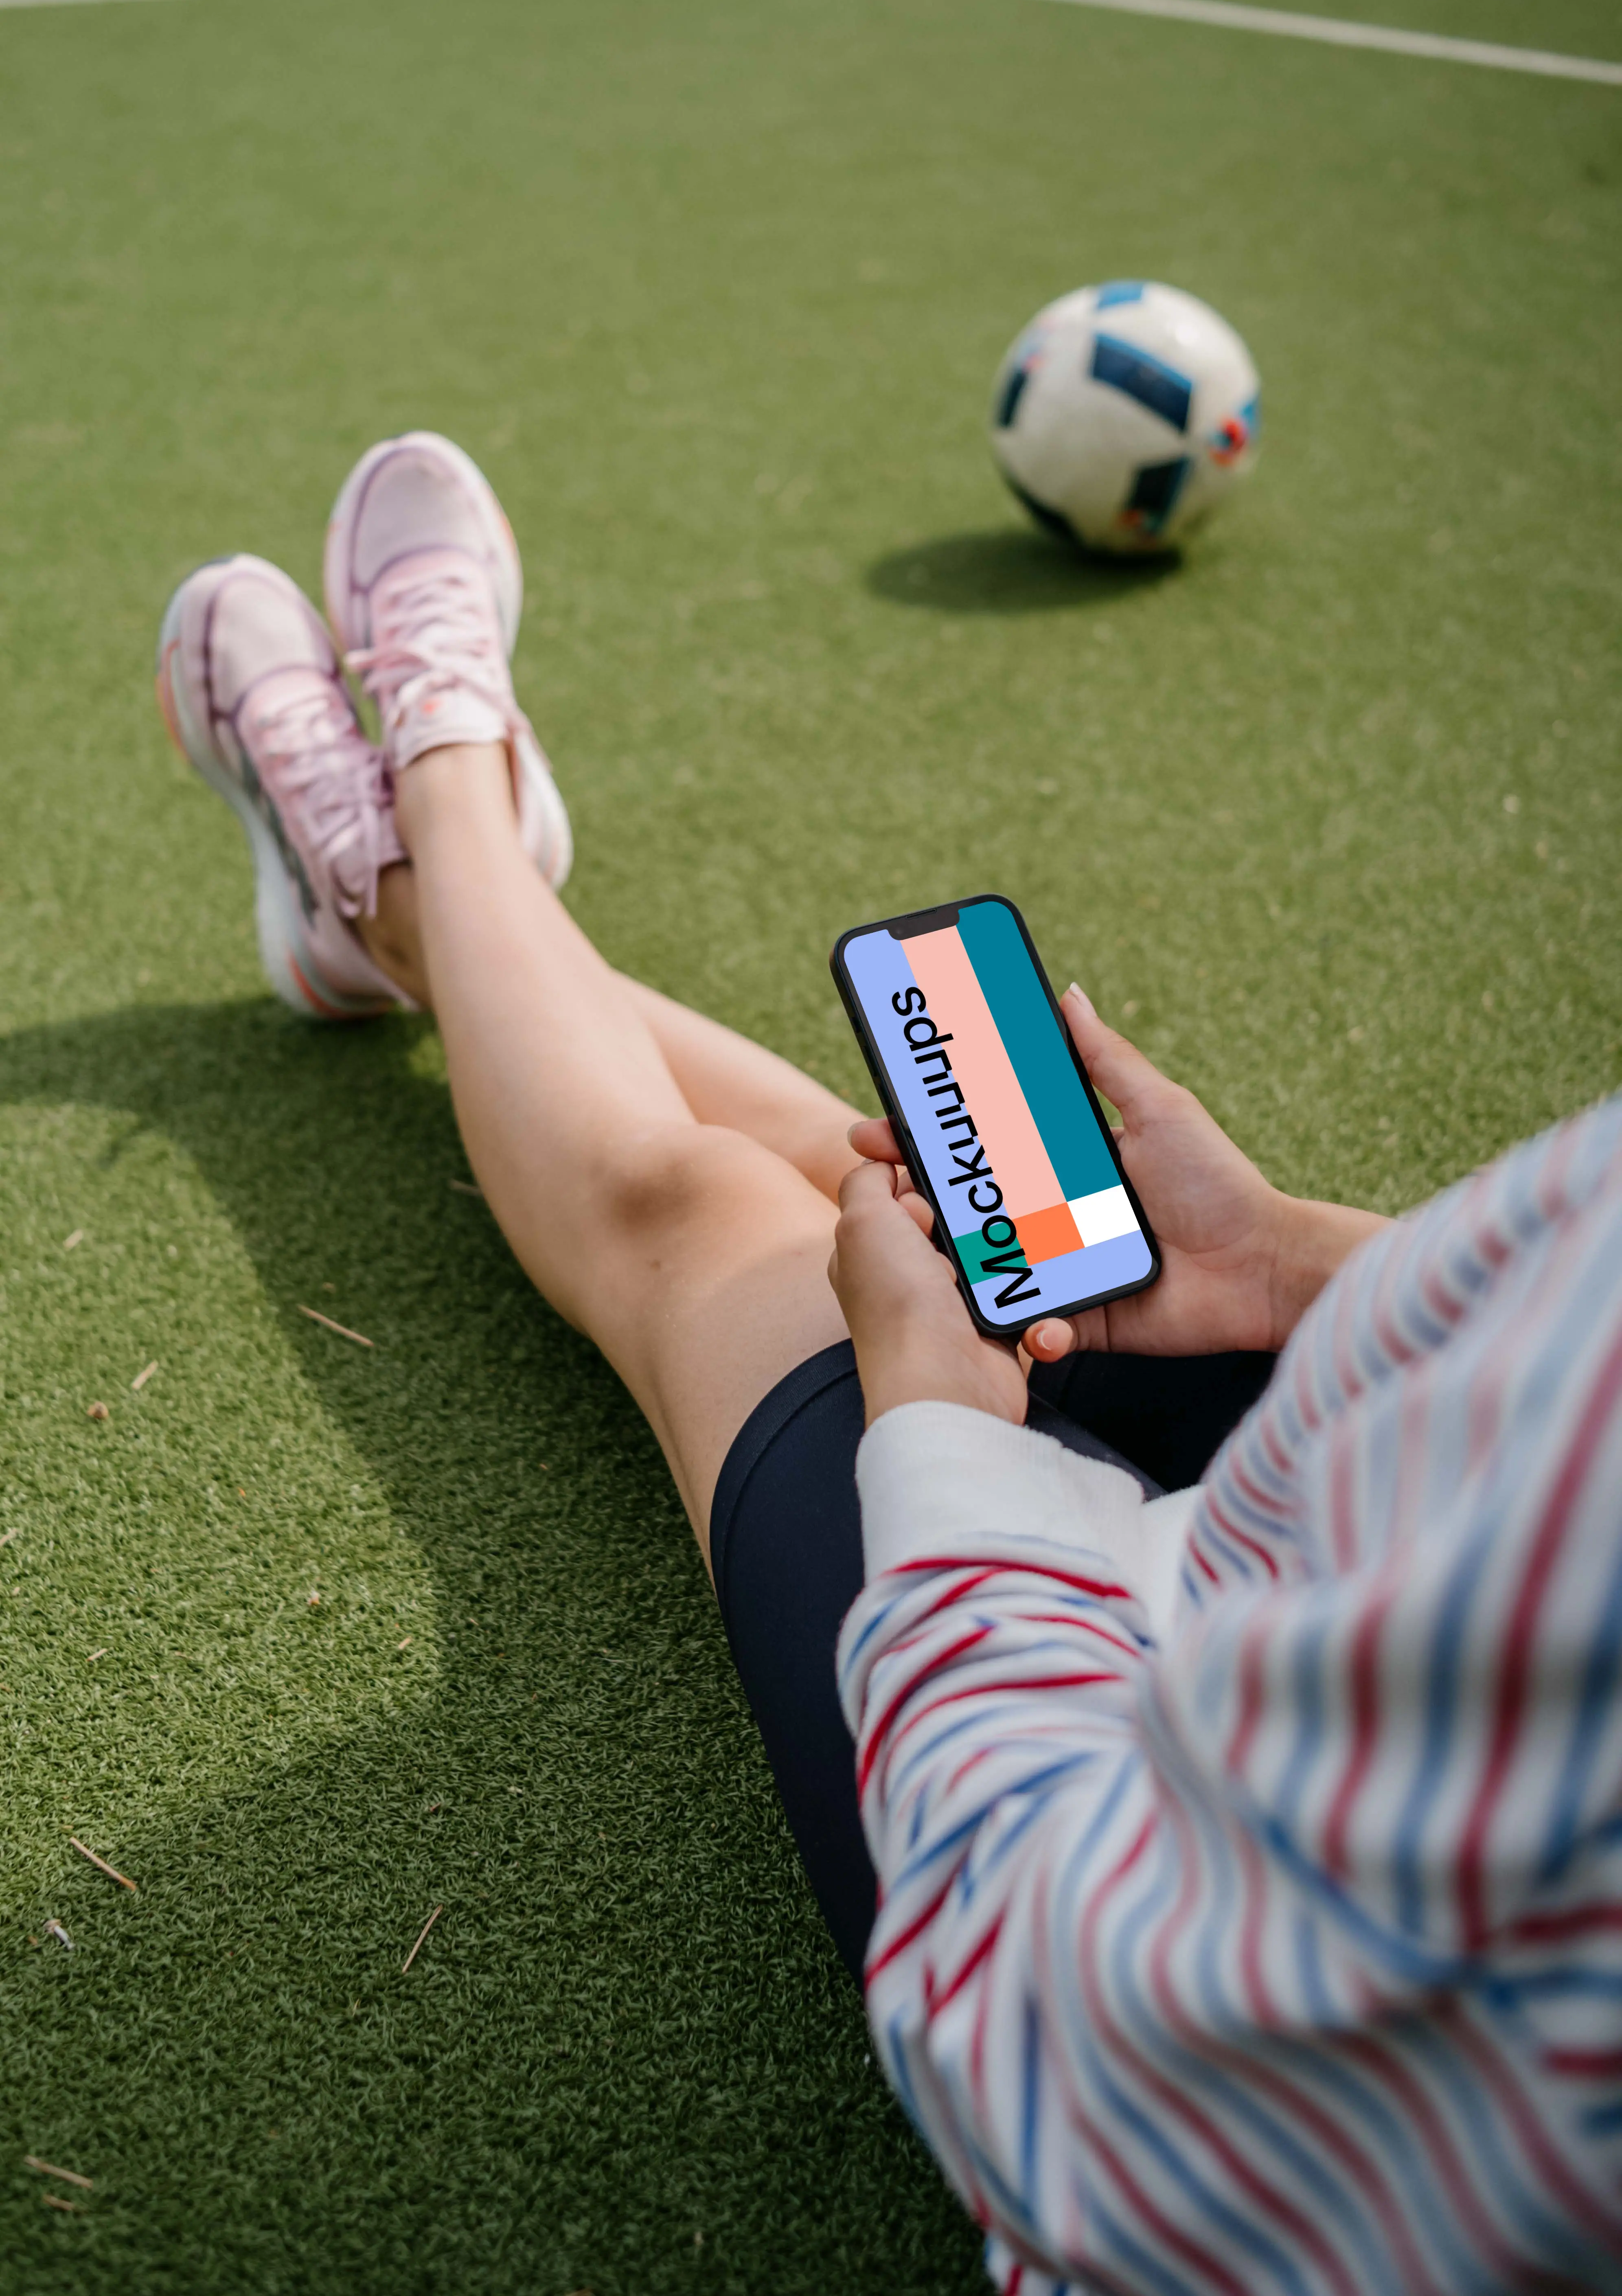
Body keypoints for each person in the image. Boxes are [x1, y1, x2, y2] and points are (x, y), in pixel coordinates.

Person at [159, 431, 1622, 2294]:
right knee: (850, 1176)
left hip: (1128, 1878)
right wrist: (1287, 1264)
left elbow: (1088, 2065)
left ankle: (431, 815)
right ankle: (419, 883)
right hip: (1349, 1511)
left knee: (698, 1221)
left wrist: (938, 1437)